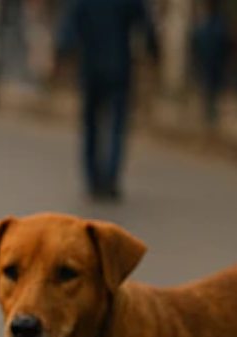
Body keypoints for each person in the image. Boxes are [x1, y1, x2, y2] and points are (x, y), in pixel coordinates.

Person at [54, 0, 159, 201]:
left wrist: (62, 56)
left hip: (90, 68)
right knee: (117, 126)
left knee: (91, 125)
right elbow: (145, 24)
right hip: (119, 67)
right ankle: (110, 179)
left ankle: (93, 179)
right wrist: (154, 52)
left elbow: (68, 29)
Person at [192, 0, 231, 127]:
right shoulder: (214, 26)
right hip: (212, 62)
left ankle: (210, 114)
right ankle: (209, 114)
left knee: (210, 88)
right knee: (210, 88)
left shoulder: (211, 26)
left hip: (211, 62)